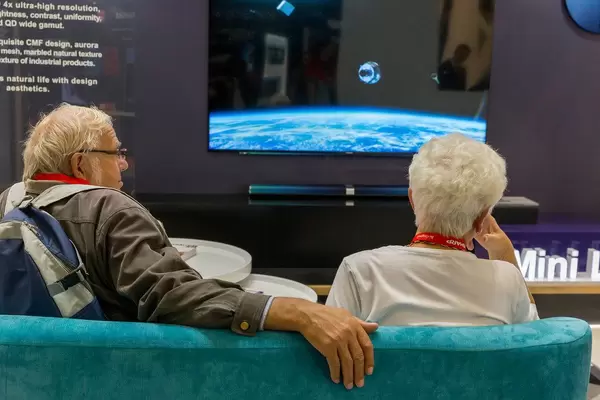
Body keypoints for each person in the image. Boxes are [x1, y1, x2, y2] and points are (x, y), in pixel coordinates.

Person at [0, 104, 377, 390]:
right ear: (81, 163)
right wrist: (296, 312)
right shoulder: (109, 208)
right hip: (116, 380)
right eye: (115, 153)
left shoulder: (8, 202)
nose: (124, 165)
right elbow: (172, 297)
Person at [326, 133, 538, 326]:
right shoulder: (507, 280)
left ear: (412, 200)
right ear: (482, 218)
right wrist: (506, 257)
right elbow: (536, 342)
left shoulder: (359, 272)